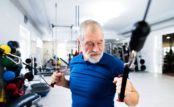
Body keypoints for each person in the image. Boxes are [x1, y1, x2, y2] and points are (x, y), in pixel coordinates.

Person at [51, 19, 139, 107]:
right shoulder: (74, 62)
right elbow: (78, 87)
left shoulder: (115, 64)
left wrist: (128, 94)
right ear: (79, 42)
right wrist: (64, 83)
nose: (96, 49)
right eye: (90, 44)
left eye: (100, 43)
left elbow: (134, 101)